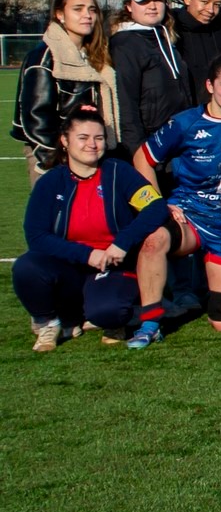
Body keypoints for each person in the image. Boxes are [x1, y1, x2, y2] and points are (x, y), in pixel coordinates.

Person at [129, 54, 221, 347]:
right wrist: (158, 204)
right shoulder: (185, 123)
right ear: (209, 85)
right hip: (190, 217)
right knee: (154, 240)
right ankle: (150, 322)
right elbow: (142, 158)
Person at [13, 108, 169, 351]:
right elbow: (36, 236)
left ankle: (101, 314)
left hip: (111, 265)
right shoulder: (51, 182)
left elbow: (156, 208)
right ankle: (50, 322)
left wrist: (121, 243)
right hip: (70, 266)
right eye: (83, 138)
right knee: (26, 266)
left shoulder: (118, 172)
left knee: (109, 312)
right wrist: (87, 255)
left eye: (98, 138)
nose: (92, 145)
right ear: (65, 141)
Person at [13, 0, 119, 185]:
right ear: (60, 14)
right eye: (78, 9)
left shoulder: (95, 55)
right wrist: (56, 160)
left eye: (92, 10)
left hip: (89, 151)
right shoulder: (45, 57)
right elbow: (36, 119)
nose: (87, 15)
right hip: (56, 157)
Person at [110, 0, 191, 160]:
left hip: (177, 141)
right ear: (129, 6)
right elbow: (126, 104)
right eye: (144, 1)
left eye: (158, 0)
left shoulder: (165, 38)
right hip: (150, 145)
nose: (152, 6)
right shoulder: (125, 44)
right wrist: (139, 155)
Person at [172, 0, 221, 107]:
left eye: (217, 5)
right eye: (204, 2)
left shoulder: (220, 31)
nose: (210, 10)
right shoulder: (172, 29)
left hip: (214, 109)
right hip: (183, 110)